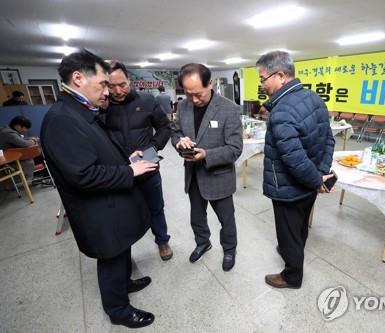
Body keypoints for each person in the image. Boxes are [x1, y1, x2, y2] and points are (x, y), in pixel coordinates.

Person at [40, 49, 157, 328]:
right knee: (111, 257)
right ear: (78, 78)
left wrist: (124, 159)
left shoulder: (80, 111)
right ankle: (118, 310)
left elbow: (94, 152)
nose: (108, 91)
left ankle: (124, 284)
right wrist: (129, 171)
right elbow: (82, 174)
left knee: (120, 251)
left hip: (111, 206)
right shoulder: (62, 119)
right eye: (103, 83)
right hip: (97, 211)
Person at [256, 51, 335, 289]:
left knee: (288, 230)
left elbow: (295, 159)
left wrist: (315, 180)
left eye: (263, 78)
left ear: (280, 76)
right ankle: (292, 250)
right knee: (299, 225)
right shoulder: (314, 98)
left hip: (289, 186)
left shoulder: (281, 112)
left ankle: (292, 276)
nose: (262, 85)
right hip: (309, 182)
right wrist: (319, 175)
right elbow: (328, 140)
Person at [171, 63, 242, 271]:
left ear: (210, 84)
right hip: (193, 175)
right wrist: (179, 142)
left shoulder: (229, 108)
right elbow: (174, 132)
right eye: (188, 93)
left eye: (198, 94)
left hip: (218, 175)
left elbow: (235, 148)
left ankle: (229, 250)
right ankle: (203, 242)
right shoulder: (183, 106)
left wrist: (206, 155)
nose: (193, 99)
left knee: (226, 220)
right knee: (196, 216)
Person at [106, 60, 173, 261]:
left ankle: (162, 241)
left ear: (130, 80)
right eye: (111, 86)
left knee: (156, 208)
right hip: (119, 172)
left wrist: (152, 148)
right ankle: (125, 252)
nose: (118, 90)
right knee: (123, 213)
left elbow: (164, 128)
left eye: (122, 84)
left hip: (148, 168)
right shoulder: (101, 106)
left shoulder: (146, 101)